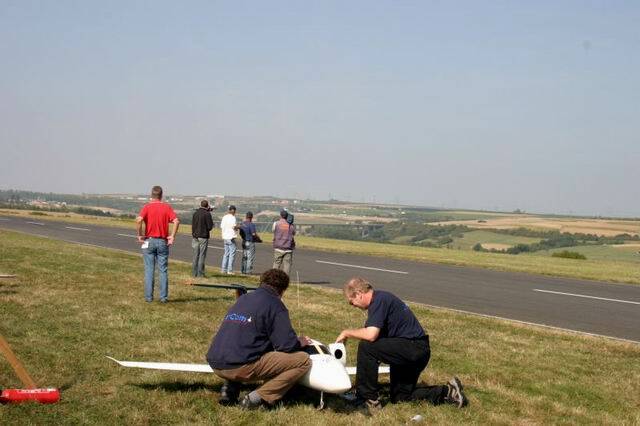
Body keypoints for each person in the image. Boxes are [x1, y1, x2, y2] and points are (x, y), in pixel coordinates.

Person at [336, 277, 468, 414]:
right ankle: (448, 392)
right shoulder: (380, 301)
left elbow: (371, 335)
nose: (353, 306)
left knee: (367, 347)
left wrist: (346, 333)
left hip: (413, 347)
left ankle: (367, 399)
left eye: (352, 302)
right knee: (400, 397)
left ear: (358, 294)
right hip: (415, 351)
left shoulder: (379, 301)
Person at [206, 269, 312, 409]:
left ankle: (229, 390)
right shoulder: (276, 305)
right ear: (282, 290)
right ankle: (258, 397)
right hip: (238, 367)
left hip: (215, 362)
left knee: (245, 346)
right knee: (303, 360)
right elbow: (285, 346)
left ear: (262, 283)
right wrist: (300, 341)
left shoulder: (244, 298)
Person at [136, 186, 180, 303]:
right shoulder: (166, 207)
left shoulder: (147, 207)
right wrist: (172, 236)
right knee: (163, 270)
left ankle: (149, 297)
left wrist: (140, 234)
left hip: (149, 240)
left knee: (149, 269)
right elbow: (176, 221)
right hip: (162, 241)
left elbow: (139, 220)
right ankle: (163, 297)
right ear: (161, 195)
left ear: (152, 195)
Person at [191, 200, 214, 277]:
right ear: (207, 206)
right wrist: (209, 213)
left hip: (195, 236)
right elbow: (210, 227)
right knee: (202, 255)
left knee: (195, 255)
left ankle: (194, 273)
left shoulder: (195, 213)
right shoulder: (207, 214)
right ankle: (200, 273)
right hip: (203, 236)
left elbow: (193, 224)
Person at [272, 209, 296, 275]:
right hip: (288, 248)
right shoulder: (291, 226)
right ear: (287, 216)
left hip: (278, 247)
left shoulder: (276, 223)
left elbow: (273, 231)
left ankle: (273, 278)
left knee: (276, 264)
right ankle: (285, 280)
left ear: (280, 215)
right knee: (287, 265)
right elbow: (294, 233)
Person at [220, 205, 239, 275]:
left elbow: (221, 226)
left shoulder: (224, 217)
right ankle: (229, 270)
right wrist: (239, 227)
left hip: (225, 237)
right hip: (231, 237)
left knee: (226, 254)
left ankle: (223, 269)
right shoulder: (233, 218)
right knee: (232, 254)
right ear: (233, 210)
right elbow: (234, 227)